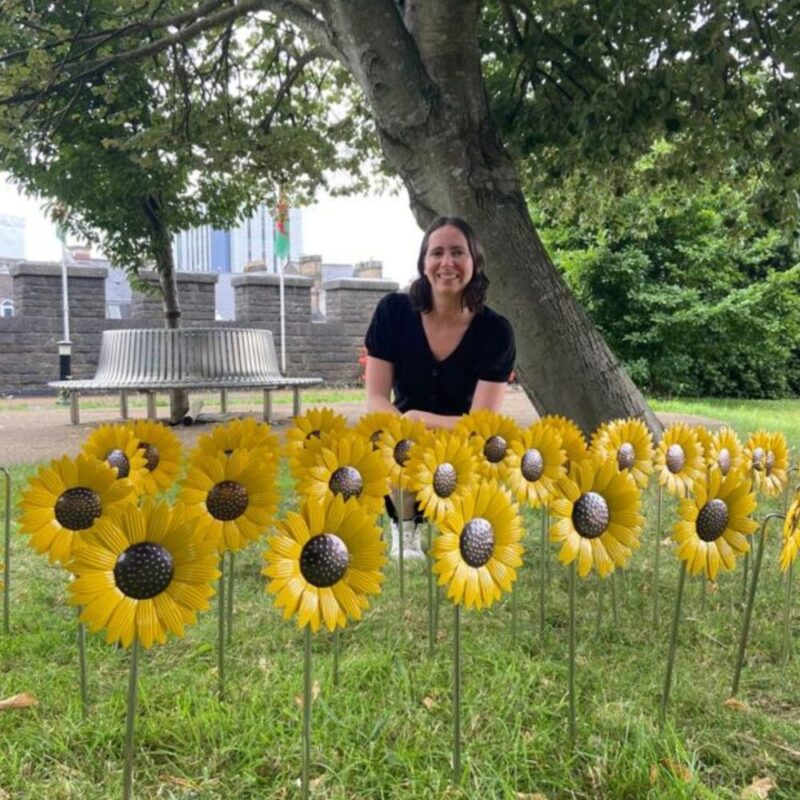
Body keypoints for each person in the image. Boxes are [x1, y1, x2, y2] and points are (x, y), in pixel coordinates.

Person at [364, 215, 516, 556]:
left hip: (462, 436)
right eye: (437, 253)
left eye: (458, 253)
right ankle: (405, 530)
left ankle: (456, 515)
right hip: (400, 431)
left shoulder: (496, 332)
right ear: (424, 263)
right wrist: (405, 429)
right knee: (390, 441)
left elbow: (483, 423)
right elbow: (375, 397)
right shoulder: (393, 312)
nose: (447, 263)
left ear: (474, 263)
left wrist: (425, 421)